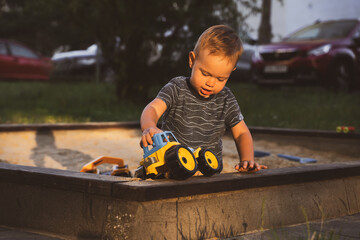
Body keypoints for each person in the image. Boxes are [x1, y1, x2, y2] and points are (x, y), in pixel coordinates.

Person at [140, 25, 267, 173]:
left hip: (209, 172)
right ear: (192, 60)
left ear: (230, 72)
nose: (211, 83)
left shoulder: (226, 99)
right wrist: (149, 126)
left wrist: (246, 159)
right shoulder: (177, 88)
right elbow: (153, 108)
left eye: (221, 78)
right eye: (205, 74)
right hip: (171, 166)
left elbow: (241, 133)